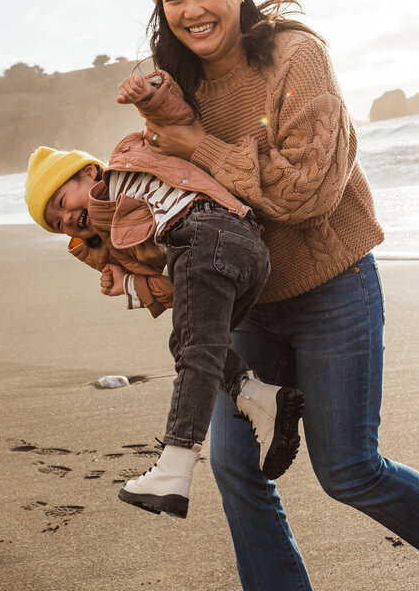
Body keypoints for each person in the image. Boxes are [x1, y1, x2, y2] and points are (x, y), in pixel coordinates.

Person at [139, 0, 419, 591]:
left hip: (331, 288)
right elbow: (173, 199)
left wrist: (193, 141)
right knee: (233, 463)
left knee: (347, 470)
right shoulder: (174, 88)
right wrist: (119, 238)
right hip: (250, 305)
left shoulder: (296, 57)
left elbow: (304, 193)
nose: (192, 10)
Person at [23, 69, 305, 520]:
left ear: (88, 173)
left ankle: (175, 464)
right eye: (55, 223)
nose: (66, 219)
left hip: (212, 227)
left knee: (194, 347)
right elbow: (176, 288)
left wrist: (151, 93)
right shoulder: (123, 245)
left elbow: (169, 120)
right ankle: (263, 399)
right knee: (190, 339)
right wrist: (130, 282)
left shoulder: (128, 158)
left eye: (62, 201)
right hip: (238, 255)